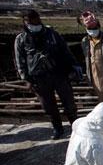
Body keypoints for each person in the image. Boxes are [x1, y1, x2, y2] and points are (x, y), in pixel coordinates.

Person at [14, 9, 81, 139]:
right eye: (31, 21)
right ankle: (57, 128)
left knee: (69, 102)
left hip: (59, 73)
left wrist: (73, 66)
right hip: (39, 77)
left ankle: (75, 126)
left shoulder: (52, 34)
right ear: (25, 22)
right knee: (48, 105)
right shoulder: (21, 39)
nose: (35, 23)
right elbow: (19, 61)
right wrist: (26, 79)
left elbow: (65, 51)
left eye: (36, 20)